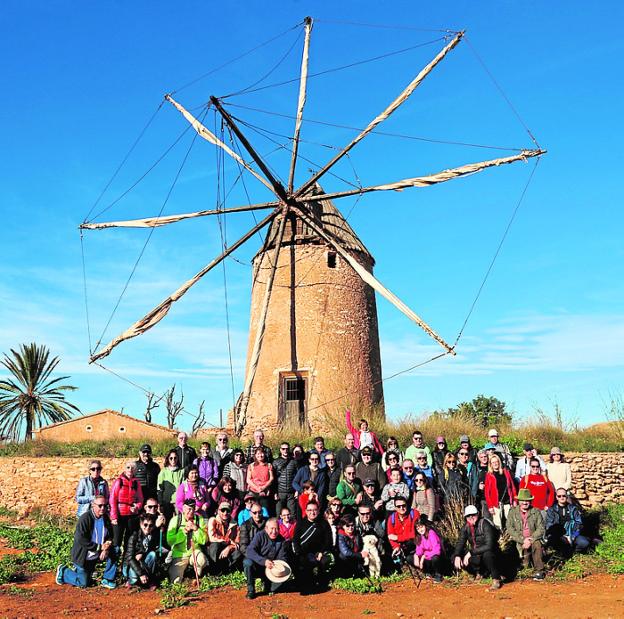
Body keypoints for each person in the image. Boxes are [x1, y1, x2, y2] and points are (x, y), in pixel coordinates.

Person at [56, 496, 117, 589]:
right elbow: (81, 539)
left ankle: (107, 579)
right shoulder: (85, 519)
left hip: (96, 555)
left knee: (115, 550)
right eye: (100, 506)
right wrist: (100, 547)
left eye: (105, 506)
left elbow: (110, 536)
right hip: (83, 556)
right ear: (93, 505)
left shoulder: (106, 518)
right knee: (84, 583)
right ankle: (64, 571)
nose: (103, 508)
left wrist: (106, 547)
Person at [453, 505, 501, 590]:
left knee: (487, 554)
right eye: (468, 516)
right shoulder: (465, 528)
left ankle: (496, 579)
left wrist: (471, 553)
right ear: (465, 517)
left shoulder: (485, 524)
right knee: (458, 556)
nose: (471, 517)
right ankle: (479, 573)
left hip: (492, 553)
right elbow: (460, 543)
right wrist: (457, 555)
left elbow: (489, 545)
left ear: (478, 514)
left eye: (473, 515)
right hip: (477, 554)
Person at [292, 501, 334, 594]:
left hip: (319, 552)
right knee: (302, 563)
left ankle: (322, 582)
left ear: (318, 511)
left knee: (325, 561)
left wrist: (321, 552)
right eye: (309, 510)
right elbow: (295, 540)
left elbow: (328, 541)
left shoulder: (324, 523)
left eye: (315, 510)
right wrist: (300, 553)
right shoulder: (300, 523)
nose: (312, 512)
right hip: (304, 552)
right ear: (306, 511)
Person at [244, 517, 290, 599]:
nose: (274, 532)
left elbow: (283, 558)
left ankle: (268, 583)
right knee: (247, 562)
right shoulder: (260, 535)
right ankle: (251, 590)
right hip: (258, 566)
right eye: (272, 528)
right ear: (266, 528)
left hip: (272, 569)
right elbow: (249, 551)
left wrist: (275, 565)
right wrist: (264, 561)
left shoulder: (282, 540)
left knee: (274, 589)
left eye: (276, 529)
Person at [507, 488, 546, 580]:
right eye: (522, 500)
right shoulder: (512, 512)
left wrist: (531, 539)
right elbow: (510, 528)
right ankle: (517, 569)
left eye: (527, 500)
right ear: (519, 501)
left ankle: (539, 571)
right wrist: (522, 540)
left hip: (532, 539)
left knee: (537, 544)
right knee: (523, 563)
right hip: (519, 540)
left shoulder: (536, 512)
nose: (525, 502)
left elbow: (541, 528)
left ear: (530, 501)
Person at [166, 499, 207, 583]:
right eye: (189, 509)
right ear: (183, 508)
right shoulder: (175, 520)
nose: (191, 511)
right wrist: (183, 533)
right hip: (180, 554)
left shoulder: (199, 519)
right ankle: (186, 580)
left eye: (193, 508)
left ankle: (196, 576)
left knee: (201, 560)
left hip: (194, 551)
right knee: (175, 581)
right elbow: (170, 541)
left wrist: (196, 529)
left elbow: (204, 540)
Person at [110, 461, 144, 552]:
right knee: (116, 542)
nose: (130, 470)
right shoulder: (119, 481)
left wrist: (137, 507)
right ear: (125, 469)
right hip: (120, 515)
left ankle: (125, 563)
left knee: (129, 542)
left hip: (131, 515)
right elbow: (112, 499)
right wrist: (113, 517)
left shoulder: (137, 483)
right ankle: (113, 565)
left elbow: (140, 499)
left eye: (132, 468)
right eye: (128, 467)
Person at [545, 487, 590, 556]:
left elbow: (579, 523)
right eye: (559, 496)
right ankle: (562, 552)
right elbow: (549, 525)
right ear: (556, 497)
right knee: (554, 541)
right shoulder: (552, 510)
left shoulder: (573, 508)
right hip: (558, 535)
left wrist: (573, 536)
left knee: (584, 543)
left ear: (567, 496)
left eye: (564, 496)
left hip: (572, 534)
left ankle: (573, 552)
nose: (561, 498)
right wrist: (561, 536)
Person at [122, 513, 160, 589]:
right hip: (131, 564)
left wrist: (142, 553)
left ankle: (148, 579)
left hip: (141, 561)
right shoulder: (134, 537)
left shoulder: (151, 536)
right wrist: (141, 574)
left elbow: (150, 549)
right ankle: (130, 580)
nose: (147, 527)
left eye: (151, 525)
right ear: (141, 524)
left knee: (152, 554)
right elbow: (130, 558)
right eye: (145, 525)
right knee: (134, 579)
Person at [206, 501, 242, 574]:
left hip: (227, 551)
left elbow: (237, 542)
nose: (225, 513)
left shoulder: (235, 524)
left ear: (231, 512)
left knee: (239, 551)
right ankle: (214, 570)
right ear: (218, 511)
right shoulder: (213, 520)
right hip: (215, 550)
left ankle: (227, 570)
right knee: (215, 545)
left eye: (228, 510)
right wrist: (229, 541)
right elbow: (212, 537)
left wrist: (229, 548)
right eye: (223, 510)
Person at [484, 452, 517, 530]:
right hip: (496, 503)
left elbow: (512, 487)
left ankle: (511, 537)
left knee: (510, 521)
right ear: (490, 464)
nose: (495, 464)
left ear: (499, 462)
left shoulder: (506, 472)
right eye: (493, 462)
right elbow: (487, 493)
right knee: (497, 523)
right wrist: (490, 506)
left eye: (496, 462)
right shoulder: (489, 475)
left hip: (507, 501)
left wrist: (515, 500)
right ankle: (500, 538)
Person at [386, 498, 419, 564]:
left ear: (407, 505)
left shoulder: (414, 514)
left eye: (403, 505)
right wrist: (396, 547)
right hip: (401, 545)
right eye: (398, 506)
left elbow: (414, 534)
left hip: (414, 543)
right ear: (395, 508)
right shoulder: (391, 518)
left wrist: (398, 537)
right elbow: (390, 536)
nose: (402, 508)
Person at [337, 513, 368, 577]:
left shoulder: (357, 533)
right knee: (342, 556)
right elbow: (345, 552)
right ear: (343, 526)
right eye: (347, 526)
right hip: (347, 559)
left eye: (352, 525)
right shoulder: (341, 536)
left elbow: (361, 546)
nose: (350, 528)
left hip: (356, 557)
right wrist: (360, 555)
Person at [414, 515, 443, 583]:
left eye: (421, 527)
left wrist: (424, 556)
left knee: (435, 558)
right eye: (418, 528)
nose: (420, 530)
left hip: (437, 557)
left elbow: (437, 550)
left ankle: (438, 575)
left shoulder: (431, 533)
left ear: (425, 526)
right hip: (428, 558)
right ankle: (429, 572)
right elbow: (419, 550)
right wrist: (416, 555)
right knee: (410, 558)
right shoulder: (419, 536)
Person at [157, 450, 184, 520]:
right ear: (168, 459)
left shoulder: (182, 471)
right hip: (166, 502)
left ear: (178, 459)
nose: (173, 460)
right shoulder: (163, 472)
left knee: (179, 521)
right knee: (167, 523)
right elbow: (159, 489)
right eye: (171, 458)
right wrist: (160, 503)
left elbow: (184, 487)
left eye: (175, 458)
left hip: (178, 502)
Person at [246, 447, 274, 513]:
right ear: (255, 455)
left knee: (264, 511)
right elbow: (248, 479)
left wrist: (263, 488)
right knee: (252, 511)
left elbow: (271, 478)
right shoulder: (251, 466)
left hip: (265, 492)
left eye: (262, 453)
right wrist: (257, 488)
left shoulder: (269, 465)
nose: (260, 455)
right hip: (253, 492)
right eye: (258, 453)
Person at [273, 442, 298, 515]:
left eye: (287, 449)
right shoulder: (275, 462)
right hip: (280, 492)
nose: (285, 451)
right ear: (280, 450)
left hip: (291, 492)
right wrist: (274, 492)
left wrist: (296, 490)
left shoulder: (294, 462)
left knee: (292, 514)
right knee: (279, 514)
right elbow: (273, 479)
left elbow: (297, 477)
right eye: (283, 449)